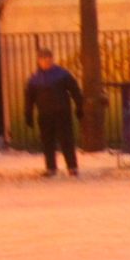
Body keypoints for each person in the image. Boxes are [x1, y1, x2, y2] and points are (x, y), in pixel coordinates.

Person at [24, 47, 84, 177]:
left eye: (48, 58)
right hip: (45, 114)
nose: (45, 61)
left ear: (52, 59)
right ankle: (51, 168)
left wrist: (79, 106)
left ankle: (72, 167)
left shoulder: (62, 75)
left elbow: (75, 90)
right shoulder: (34, 79)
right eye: (42, 58)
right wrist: (28, 114)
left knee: (66, 140)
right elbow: (29, 98)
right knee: (47, 141)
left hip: (62, 113)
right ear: (38, 61)